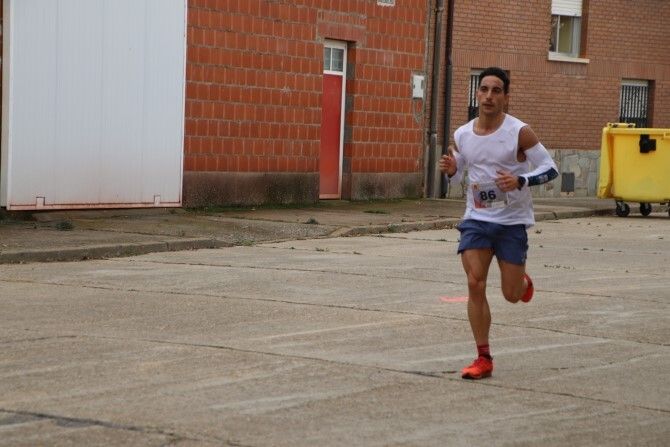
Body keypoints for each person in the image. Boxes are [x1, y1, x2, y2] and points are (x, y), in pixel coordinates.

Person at [438, 67, 558, 380]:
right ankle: (483, 357)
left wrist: (521, 180)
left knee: (511, 294)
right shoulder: (463, 135)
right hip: (477, 219)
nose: (489, 96)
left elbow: (550, 169)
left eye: (496, 90)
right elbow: (458, 173)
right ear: (477, 93)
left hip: (511, 222)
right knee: (474, 282)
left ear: (506, 96)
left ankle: (522, 284)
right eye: (484, 89)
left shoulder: (519, 132)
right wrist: (451, 169)